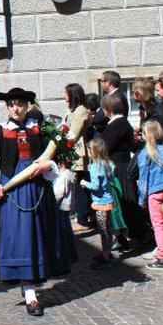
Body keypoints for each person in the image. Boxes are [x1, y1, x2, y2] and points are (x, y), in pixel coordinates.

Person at [0, 88, 77, 317]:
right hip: (14, 189)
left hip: (37, 188)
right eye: (12, 104)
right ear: (7, 107)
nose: (16, 108)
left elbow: (55, 157)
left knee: (39, 235)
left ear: (27, 105)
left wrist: (48, 166)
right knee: (21, 237)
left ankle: (35, 281)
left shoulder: (41, 129)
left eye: (20, 104)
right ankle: (29, 292)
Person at [96, 93, 138, 249]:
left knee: (120, 203)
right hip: (117, 166)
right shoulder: (118, 123)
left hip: (119, 168)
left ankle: (124, 236)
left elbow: (106, 145)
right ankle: (122, 236)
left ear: (109, 109)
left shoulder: (118, 124)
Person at [80, 138, 118, 268]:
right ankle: (106, 253)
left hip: (100, 202)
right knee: (108, 229)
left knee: (103, 231)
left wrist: (84, 183)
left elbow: (96, 186)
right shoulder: (107, 163)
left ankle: (106, 257)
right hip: (108, 200)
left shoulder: (95, 166)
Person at [134, 120, 163, 271]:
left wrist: (142, 200)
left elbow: (144, 179)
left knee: (159, 226)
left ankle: (162, 257)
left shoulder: (146, 153)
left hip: (155, 193)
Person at [64, 83, 91, 235]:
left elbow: (73, 132)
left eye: (66, 93)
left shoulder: (80, 111)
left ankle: (82, 220)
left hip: (78, 152)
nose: (64, 96)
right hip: (72, 150)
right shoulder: (72, 110)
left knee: (81, 186)